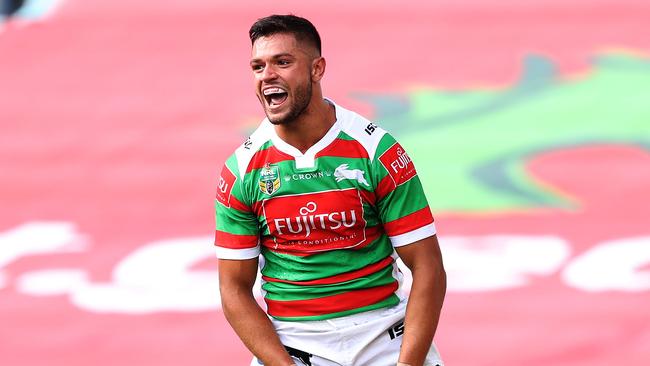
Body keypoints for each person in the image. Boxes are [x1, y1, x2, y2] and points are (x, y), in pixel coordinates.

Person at [215, 14, 446, 366]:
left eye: (283, 62)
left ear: (317, 69)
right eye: (258, 66)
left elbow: (428, 265)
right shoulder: (241, 170)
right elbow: (233, 289)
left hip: (384, 340)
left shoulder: (377, 152)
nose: (267, 75)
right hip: (293, 345)